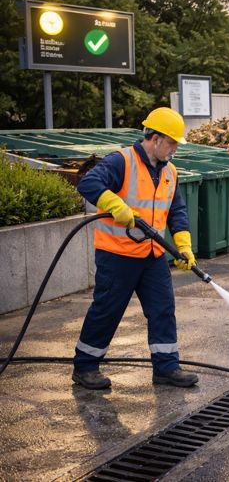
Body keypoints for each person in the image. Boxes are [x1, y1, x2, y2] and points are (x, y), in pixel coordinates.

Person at [72, 107, 199, 389]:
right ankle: (85, 367)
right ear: (155, 138)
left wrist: (184, 246)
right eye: (172, 142)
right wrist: (116, 205)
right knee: (107, 310)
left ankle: (166, 368)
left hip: (152, 255)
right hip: (118, 254)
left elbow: (176, 211)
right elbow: (89, 183)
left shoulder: (170, 172)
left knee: (163, 309)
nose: (175, 149)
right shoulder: (122, 161)